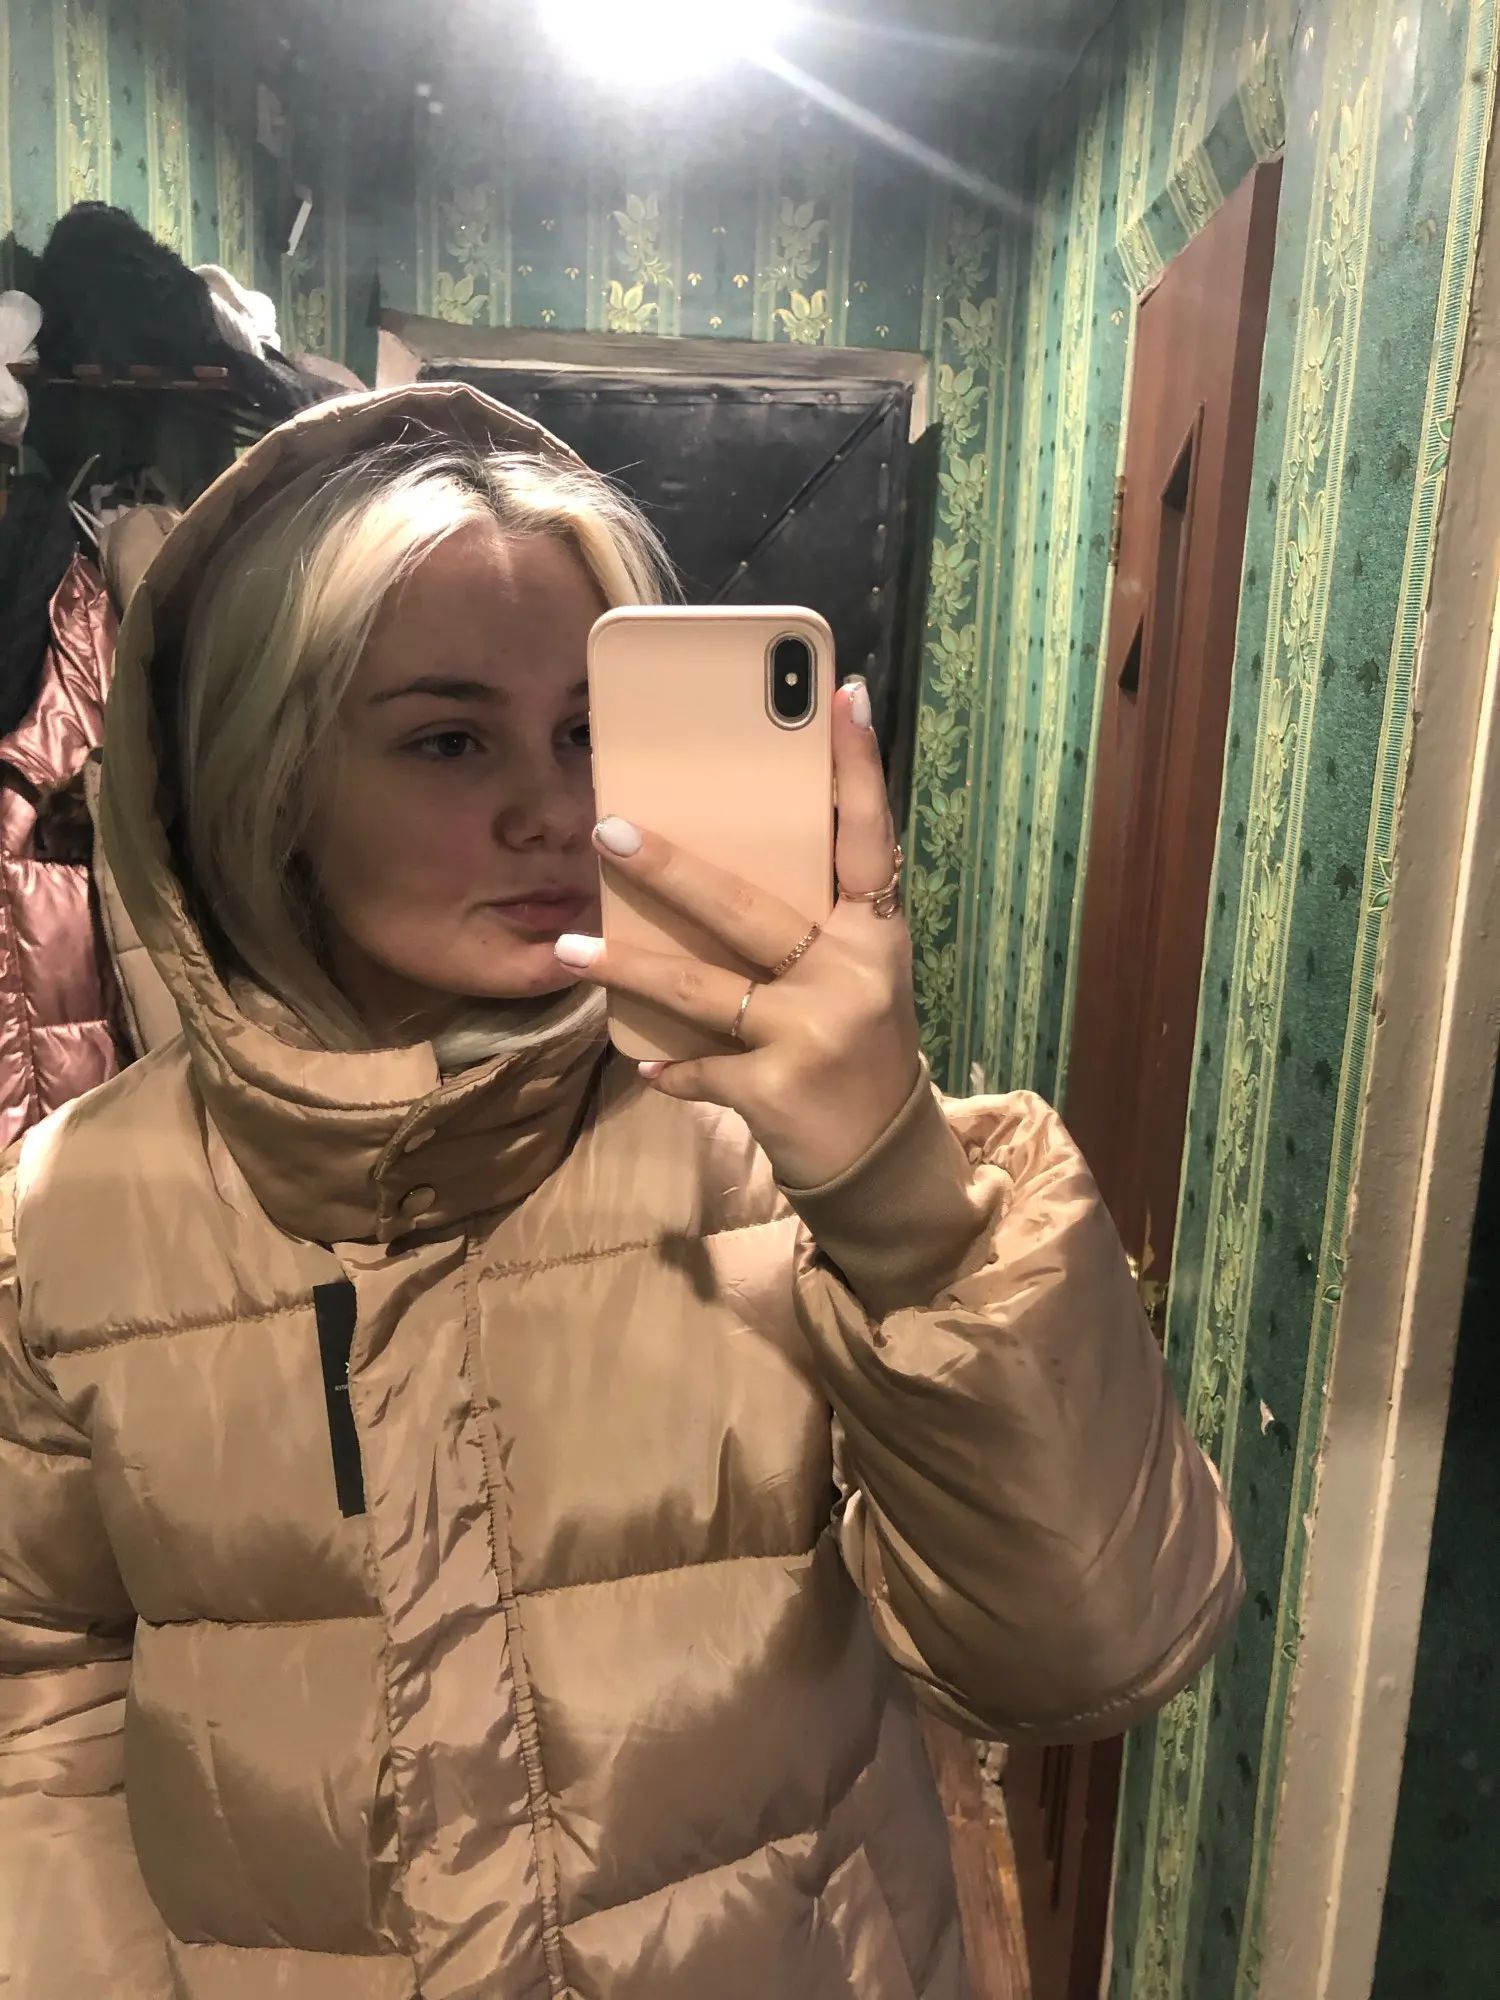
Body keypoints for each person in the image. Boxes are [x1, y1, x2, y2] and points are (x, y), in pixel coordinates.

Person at [0, 385, 1241, 2000]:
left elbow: (1089, 1652)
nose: (557, 808)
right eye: (452, 739)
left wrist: (898, 1198)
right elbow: (44, 1700)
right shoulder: (68, 1219)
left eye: (592, 730)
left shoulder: (786, 1155)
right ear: (273, 781)